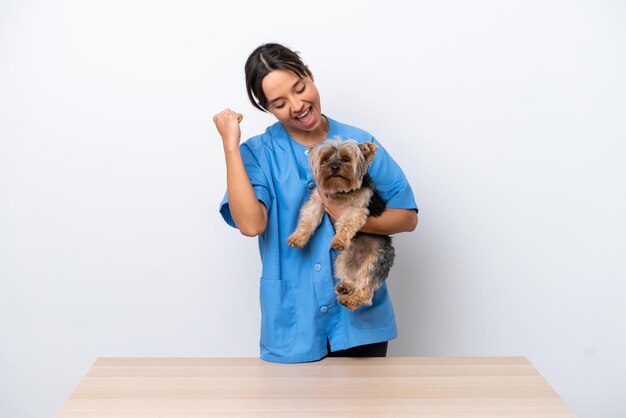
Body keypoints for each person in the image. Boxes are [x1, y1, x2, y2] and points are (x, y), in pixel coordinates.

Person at [213, 43, 418, 363]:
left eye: (300, 88)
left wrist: (346, 216)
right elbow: (251, 224)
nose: (297, 105)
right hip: (294, 322)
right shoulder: (258, 153)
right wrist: (231, 147)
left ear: (309, 74)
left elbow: (407, 218)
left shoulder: (359, 142)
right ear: (268, 108)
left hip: (359, 323)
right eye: (280, 103)